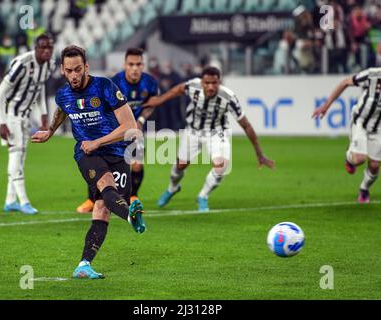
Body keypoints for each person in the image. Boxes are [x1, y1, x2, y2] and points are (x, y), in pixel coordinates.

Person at [31, 45, 146, 279]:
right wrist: (50, 131)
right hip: (86, 153)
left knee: (103, 208)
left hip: (117, 152)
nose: (74, 75)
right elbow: (62, 111)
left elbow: (130, 126)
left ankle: (84, 265)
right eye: (69, 71)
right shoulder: (63, 94)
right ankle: (131, 216)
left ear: (86, 67)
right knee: (105, 185)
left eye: (78, 70)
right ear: (63, 70)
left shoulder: (104, 87)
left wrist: (99, 141)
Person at [143, 66, 275, 212]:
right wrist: (160, 100)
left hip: (217, 132)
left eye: (214, 83)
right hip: (193, 131)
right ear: (202, 82)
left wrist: (259, 153)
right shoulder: (193, 86)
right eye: (207, 83)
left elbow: (246, 125)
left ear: (220, 82)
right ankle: (172, 188)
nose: (210, 86)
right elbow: (179, 89)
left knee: (221, 166)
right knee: (180, 166)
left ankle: (203, 196)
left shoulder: (228, 97)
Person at [312, 50, 381, 203]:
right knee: (359, 159)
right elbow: (345, 82)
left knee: (374, 166)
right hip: (361, 121)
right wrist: (326, 106)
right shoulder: (373, 75)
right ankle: (349, 159)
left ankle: (364, 189)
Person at [76, 48, 159, 213]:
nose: (135, 68)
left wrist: (141, 120)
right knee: (98, 164)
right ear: (125, 65)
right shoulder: (114, 82)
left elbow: (151, 104)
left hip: (135, 130)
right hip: (114, 131)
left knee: (136, 165)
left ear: (143, 65)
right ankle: (92, 199)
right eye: (131, 64)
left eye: (138, 64)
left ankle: (133, 196)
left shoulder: (150, 83)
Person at [0, 34, 55, 214]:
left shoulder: (49, 65)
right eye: (42, 48)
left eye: (49, 48)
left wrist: (44, 113)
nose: (46, 51)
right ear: (35, 48)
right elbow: (0, 92)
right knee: (16, 154)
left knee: (20, 155)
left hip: (25, 115)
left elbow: (40, 86)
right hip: (11, 113)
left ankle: (10, 200)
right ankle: (24, 201)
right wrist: (2, 122)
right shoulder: (22, 64)